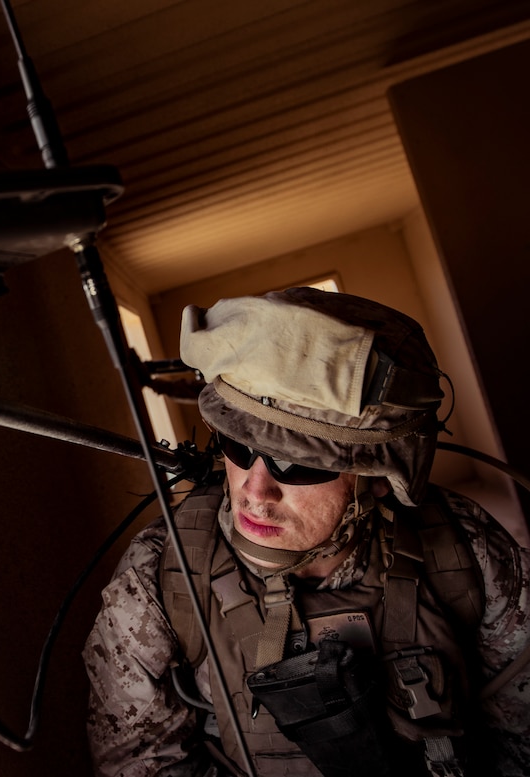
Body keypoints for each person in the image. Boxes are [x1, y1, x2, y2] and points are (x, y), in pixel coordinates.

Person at [83, 287, 530, 777]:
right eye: (236, 444)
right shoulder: (159, 577)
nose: (255, 490)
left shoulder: (469, 551)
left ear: (378, 478)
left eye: (296, 464)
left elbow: (521, 730)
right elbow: (140, 764)